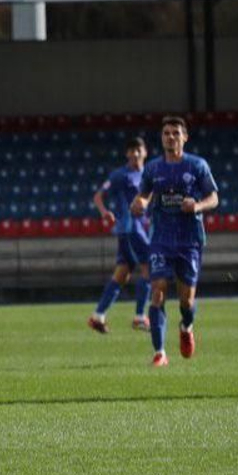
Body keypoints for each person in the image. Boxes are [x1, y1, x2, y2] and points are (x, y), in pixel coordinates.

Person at [130, 116, 219, 367]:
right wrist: (139, 204)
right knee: (157, 292)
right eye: (166, 133)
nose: (171, 137)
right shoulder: (153, 169)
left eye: (176, 133)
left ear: (185, 137)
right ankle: (160, 353)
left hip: (190, 239)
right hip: (161, 239)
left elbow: (214, 198)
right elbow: (144, 196)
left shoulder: (197, 165)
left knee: (186, 301)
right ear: (162, 138)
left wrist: (198, 205)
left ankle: (186, 326)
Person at [87, 136, 153, 334]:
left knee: (122, 274)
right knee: (150, 268)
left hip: (139, 228)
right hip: (130, 229)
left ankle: (98, 316)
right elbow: (98, 196)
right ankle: (140, 317)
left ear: (145, 152)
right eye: (131, 150)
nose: (135, 153)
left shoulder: (148, 174)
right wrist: (104, 212)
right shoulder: (120, 175)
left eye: (138, 149)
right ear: (126, 154)